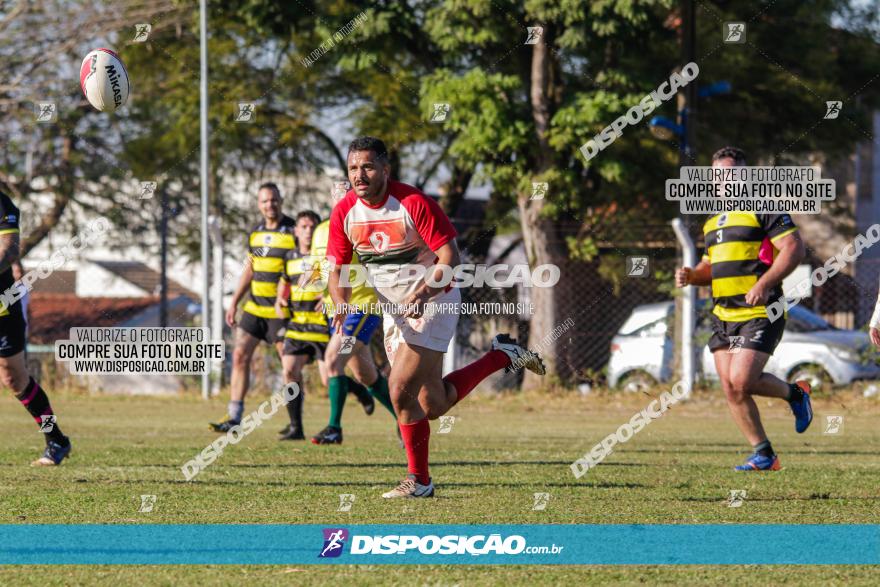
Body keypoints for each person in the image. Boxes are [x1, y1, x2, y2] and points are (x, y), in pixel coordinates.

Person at [326, 137, 545, 498]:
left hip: (435, 301)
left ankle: (420, 481)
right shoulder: (345, 212)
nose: (359, 175)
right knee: (433, 404)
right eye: (353, 168)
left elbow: (450, 259)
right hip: (394, 312)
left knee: (398, 389)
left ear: (384, 169)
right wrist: (340, 304)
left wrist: (424, 292)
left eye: (367, 167)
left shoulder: (412, 202)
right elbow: (336, 270)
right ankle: (502, 355)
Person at [675, 146, 813, 471]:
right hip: (723, 316)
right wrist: (692, 275)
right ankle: (764, 453)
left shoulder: (762, 208)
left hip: (761, 312)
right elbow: (710, 268)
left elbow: (794, 249)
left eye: (734, 173)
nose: (727, 180)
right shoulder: (711, 222)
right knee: (731, 388)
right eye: (720, 174)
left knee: (742, 379)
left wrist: (763, 283)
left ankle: (795, 396)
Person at [210, 183, 295, 432]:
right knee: (239, 356)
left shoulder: (293, 230)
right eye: (265, 201)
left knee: (289, 366)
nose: (270, 205)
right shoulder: (255, 232)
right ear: (259, 205)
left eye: (274, 200)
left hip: (280, 312)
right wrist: (235, 301)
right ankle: (234, 417)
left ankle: (295, 423)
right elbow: (250, 268)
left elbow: (303, 266)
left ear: (281, 200)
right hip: (255, 308)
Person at [307, 215, 396, 445]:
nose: (341, 196)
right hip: (335, 312)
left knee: (333, 360)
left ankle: (334, 428)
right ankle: (405, 419)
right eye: (337, 190)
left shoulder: (363, 225)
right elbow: (318, 270)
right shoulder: (320, 231)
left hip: (361, 309)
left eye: (346, 191)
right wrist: (312, 282)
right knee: (365, 375)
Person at [0, 190, 71, 465]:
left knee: (15, 380)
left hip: (3, 308)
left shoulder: (4, 205)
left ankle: (56, 439)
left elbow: (9, 251)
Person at [274, 210, 328, 440]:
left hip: (320, 324)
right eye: (303, 227)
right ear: (295, 231)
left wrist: (328, 298)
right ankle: (296, 427)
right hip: (297, 325)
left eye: (312, 227)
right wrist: (280, 298)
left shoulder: (322, 257)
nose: (307, 231)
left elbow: (330, 283)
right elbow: (284, 282)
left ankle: (362, 393)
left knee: (329, 379)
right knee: (289, 371)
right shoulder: (289, 258)